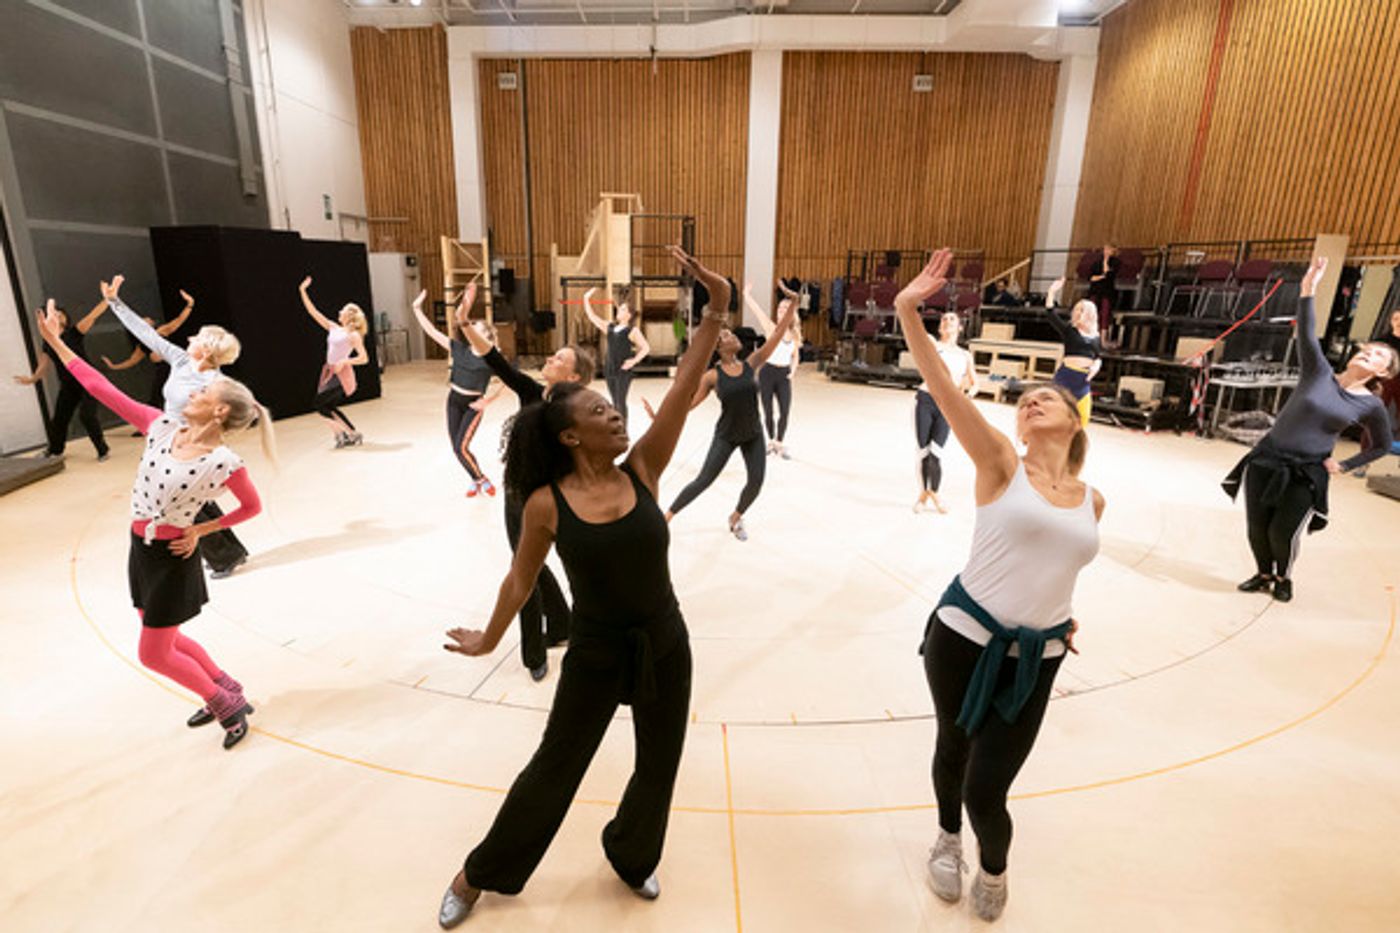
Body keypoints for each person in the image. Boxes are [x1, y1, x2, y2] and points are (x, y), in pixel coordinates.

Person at [433, 247, 730, 929]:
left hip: (664, 639)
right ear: (570, 434)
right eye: (600, 411)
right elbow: (521, 578)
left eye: (611, 405)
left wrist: (714, 308)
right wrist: (489, 638)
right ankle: (480, 872)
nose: (615, 414)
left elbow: (684, 386)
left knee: (660, 764)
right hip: (595, 649)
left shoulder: (645, 467)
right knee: (555, 767)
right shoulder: (545, 502)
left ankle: (631, 853)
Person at [895, 249, 1104, 922]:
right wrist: (908, 309)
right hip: (962, 636)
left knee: (991, 786)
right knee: (952, 749)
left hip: (1035, 656)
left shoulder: (1091, 499)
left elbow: (1062, 566)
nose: (1033, 397)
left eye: (1049, 395)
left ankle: (994, 865)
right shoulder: (999, 462)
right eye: (1025, 398)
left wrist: (1061, 615)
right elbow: (946, 389)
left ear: (1076, 422)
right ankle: (947, 839)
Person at [33, 297, 275, 749]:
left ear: (219, 411)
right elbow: (101, 387)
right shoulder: (161, 426)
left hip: (171, 555)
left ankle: (225, 705)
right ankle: (228, 687)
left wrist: (201, 531)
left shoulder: (223, 461)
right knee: (167, 639)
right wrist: (58, 344)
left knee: (154, 653)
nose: (193, 394)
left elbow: (252, 508)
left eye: (203, 393)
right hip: (139, 546)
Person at [1223, 257, 1396, 603]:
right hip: (1267, 458)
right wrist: (1308, 288)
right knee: (1257, 527)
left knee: (1281, 533)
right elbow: (1305, 329)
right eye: (1369, 349)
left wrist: (1345, 465)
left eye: (1379, 356)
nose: (1369, 353)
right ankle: (1262, 573)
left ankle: (1283, 577)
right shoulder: (1318, 372)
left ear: (1384, 373)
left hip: (1306, 472)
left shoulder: (1371, 405)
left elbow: (1382, 444)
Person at [457, 310, 597, 681]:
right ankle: (563, 622)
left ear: (574, 376)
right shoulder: (532, 392)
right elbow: (497, 362)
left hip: (542, 499)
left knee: (523, 569)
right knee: (528, 564)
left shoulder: (573, 411)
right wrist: (466, 326)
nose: (550, 359)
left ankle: (534, 651)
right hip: (517, 491)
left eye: (559, 359)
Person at [103, 278, 250, 579]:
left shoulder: (217, 385)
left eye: (197, 337)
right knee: (195, 502)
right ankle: (230, 553)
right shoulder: (180, 360)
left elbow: (228, 416)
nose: (190, 337)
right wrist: (114, 302)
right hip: (165, 438)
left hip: (190, 448)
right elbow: (146, 335)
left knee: (182, 502)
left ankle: (224, 556)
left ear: (207, 348)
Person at [664, 297, 797, 541]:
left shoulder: (751, 363)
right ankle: (666, 518)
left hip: (753, 434)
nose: (733, 336)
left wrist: (794, 304)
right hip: (726, 435)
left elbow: (778, 335)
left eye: (730, 334)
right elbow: (689, 405)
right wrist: (661, 417)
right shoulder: (712, 377)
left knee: (756, 482)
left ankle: (736, 517)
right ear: (718, 347)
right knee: (703, 481)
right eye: (726, 336)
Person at [412, 286, 504, 497]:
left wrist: (488, 401)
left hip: (473, 405)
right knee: (457, 448)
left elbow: (508, 381)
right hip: (453, 401)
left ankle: (481, 479)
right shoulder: (459, 348)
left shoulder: (491, 355)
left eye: (477, 326)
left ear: (486, 335)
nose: (471, 327)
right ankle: (475, 479)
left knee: (461, 448)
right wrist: (417, 308)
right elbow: (432, 332)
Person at [13, 295, 112, 460]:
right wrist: (32, 379)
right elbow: (43, 365)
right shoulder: (49, 342)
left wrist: (108, 299)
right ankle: (55, 450)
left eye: (60, 313)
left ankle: (103, 450)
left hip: (88, 383)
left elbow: (93, 315)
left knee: (86, 415)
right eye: (53, 314)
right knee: (59, 419)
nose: (57, 315)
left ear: (65, 318)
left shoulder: (75, 333)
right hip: (68, 386)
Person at [914, 311, 977, 514]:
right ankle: (926, 496)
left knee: (936, 452)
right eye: (943, 319)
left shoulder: (965, 355)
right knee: (924, 452)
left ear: (960, 327)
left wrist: (968, 396)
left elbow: (975, 383)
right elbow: (918, 334)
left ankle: (931, 494)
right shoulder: (933, 344)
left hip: (948, 406)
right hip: (925, 400)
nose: (946, 321)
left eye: (952, 319)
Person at [298, 276, 370, 447]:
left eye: (342, 310)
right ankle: (343, 435)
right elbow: (313, 312)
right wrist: (302, 291)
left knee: (320, 404)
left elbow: (364, 358)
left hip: (341, 373)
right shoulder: (333, 327)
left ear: (349, 315)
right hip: (329, 371)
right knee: (326, 405)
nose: (339, 312)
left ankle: (350, 433)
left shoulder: (353, 335)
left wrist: (345, 361)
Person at [101, 288, 194, 408]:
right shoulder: (142, 346)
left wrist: (190, 304)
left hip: (173, 366)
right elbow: (131, 361)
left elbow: (179, 320)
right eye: (143, 320)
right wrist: (114, 366)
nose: (147, 319)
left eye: (148, 320)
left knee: (180, 394)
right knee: (157, 397)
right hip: (162, 370)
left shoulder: (160, 332)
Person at [742, 281, 803, 459]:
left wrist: (793, 371)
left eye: (786, 308)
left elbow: (795, 356)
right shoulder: (771, 328)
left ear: (791, 313)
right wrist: (747, 295)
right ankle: (770, 441)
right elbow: (757, 311)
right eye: (780, 309)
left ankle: (779, 442)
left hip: (783, 374)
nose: (782, 311)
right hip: (767, 373)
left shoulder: (795, 334)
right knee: (768, 410)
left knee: (785, 411)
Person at [582, 285, 651, 429]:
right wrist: (586, 299)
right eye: (620, 308)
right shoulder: (610, 327)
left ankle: (623, 430)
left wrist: (633, 361)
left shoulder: (633, 331)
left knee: (620, 401)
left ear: (629, 315)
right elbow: (592, 317)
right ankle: (616, 428)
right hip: (609, 368)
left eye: (624, 309)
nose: (620, 310)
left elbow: (645, 348)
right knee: (614, 401)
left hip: (623, 370)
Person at [1044, 279, 1101, 427]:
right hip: (1066, 376)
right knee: (1054, 412)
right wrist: (1051, 292)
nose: (1078, 312)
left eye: (1081, 310)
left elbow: (1098, 357)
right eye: (1076, 309)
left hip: (1083, 380)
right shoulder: (1069, 330)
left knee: (1083, 418)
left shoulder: (1095, 336)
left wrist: (1096, 366)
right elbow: (1050, 314)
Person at [1086, 243, 1119, 335]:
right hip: (1095, 289)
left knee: (1105, 313)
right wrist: (1102, 276)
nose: (1106, 252)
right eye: (1105, 249)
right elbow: (1091, 278)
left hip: (1107, 290)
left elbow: (1108, 274)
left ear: (1113, 251)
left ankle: (1103, 338)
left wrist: (1106, 261)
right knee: (1092, 310)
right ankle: (1090, 334)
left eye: (1109, 250)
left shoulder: (1115, 262)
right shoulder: (1096, 263)